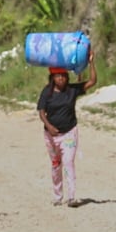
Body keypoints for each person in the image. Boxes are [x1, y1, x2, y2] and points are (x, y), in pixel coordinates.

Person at [36, 49, 97, 206]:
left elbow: (92, 81)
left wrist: (91, 63)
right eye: (58, 76)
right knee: (56, 165)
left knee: (68, 162)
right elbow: (41, 112)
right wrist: (49, 126)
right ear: (53, 78)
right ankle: (58, 196)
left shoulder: (72, 90)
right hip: (50, 136)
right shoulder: (47, 92)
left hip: (69, 132)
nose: (61, 79)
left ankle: (71, 197)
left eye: (63, 76)